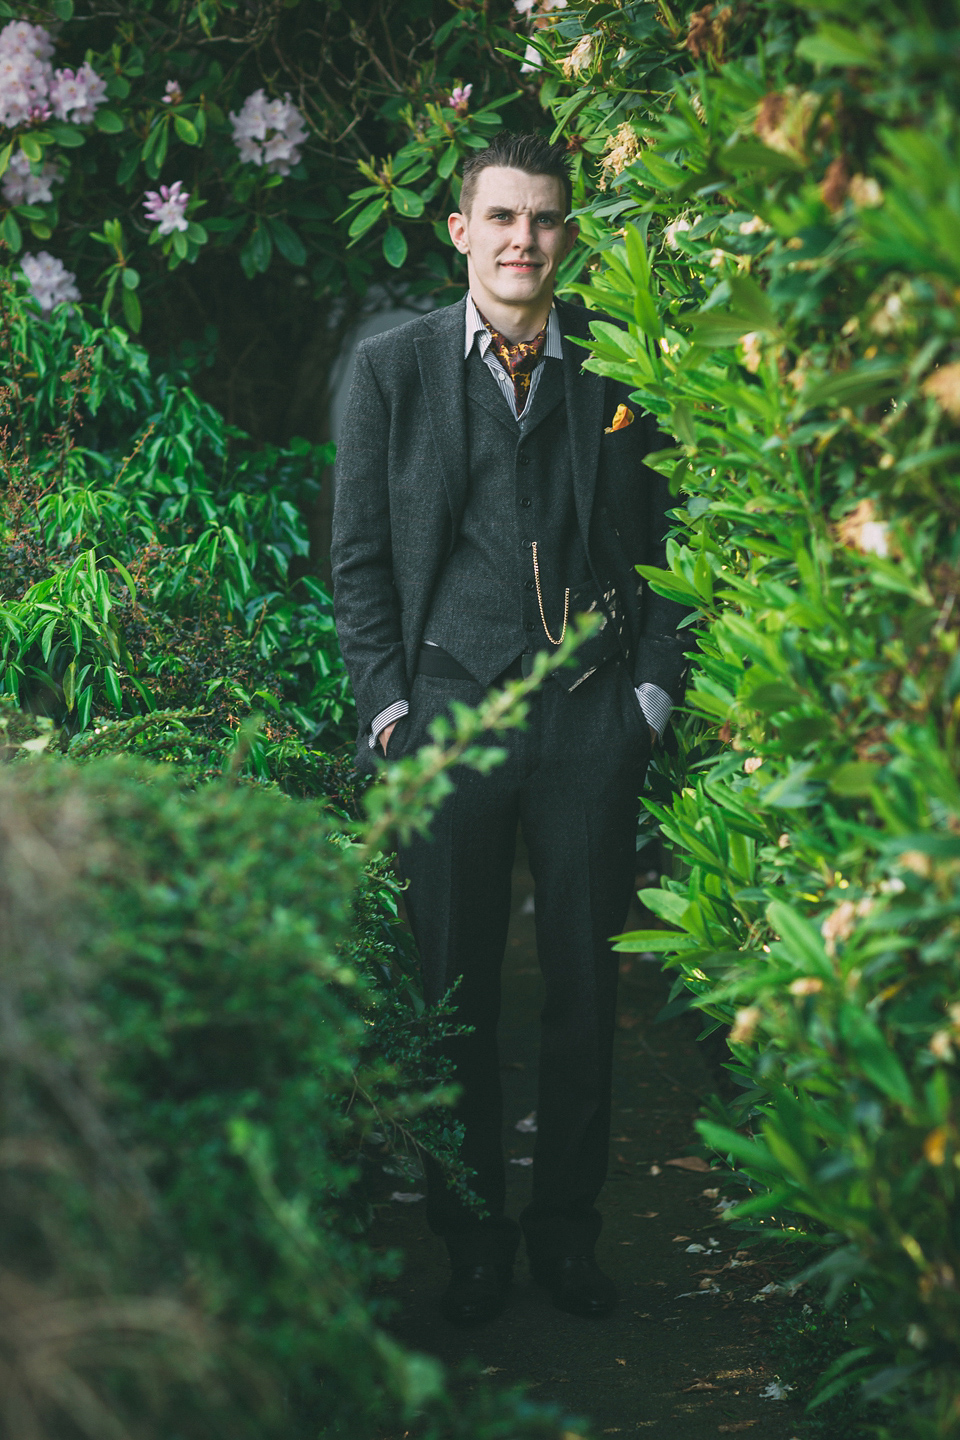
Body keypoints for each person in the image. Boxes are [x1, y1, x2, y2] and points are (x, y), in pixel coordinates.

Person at [332, 132, 687, 1326]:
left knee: (587, 990)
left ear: (565, 235)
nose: (521, 240)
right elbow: (361, 557)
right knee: (455, 988)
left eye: (542, 220)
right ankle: (469, 1241)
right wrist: (388, 709)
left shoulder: (616, 364)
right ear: (460, 232)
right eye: (500, 218)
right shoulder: (390, 368)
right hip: (446, 716)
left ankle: (567, 1235)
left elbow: (675, 544)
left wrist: (652, 697)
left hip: (594, 719)